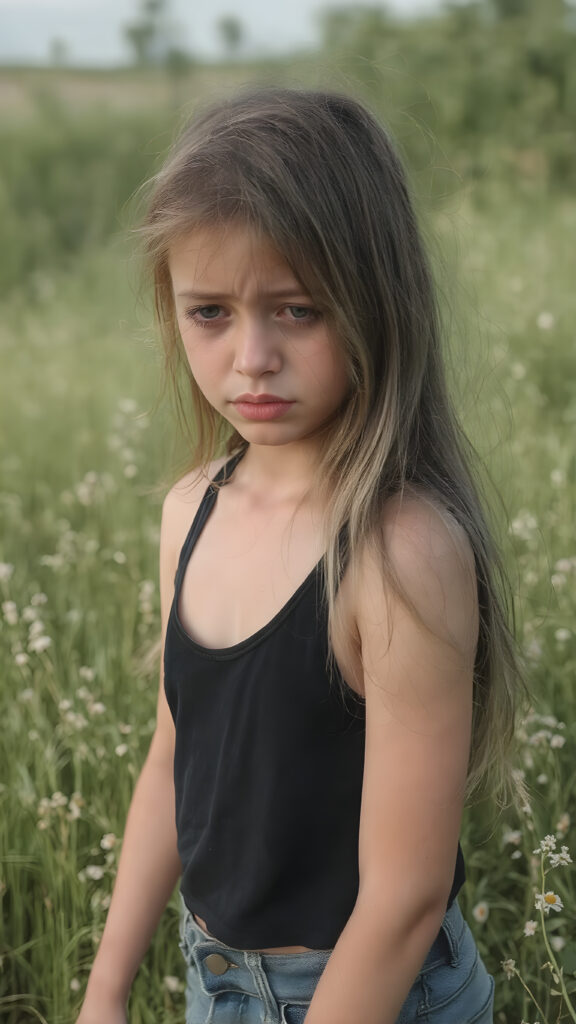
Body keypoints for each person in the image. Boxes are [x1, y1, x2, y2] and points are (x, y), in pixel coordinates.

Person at [77, 88, 523, 1024]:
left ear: (376, 302)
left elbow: (402, 904)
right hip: (217, 983)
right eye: (210, 312)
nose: (252, 357)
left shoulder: (400, 555)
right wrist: (106, 989)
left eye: (298, 310)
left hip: (374, 994)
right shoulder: (190, 511)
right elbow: (172, 761)